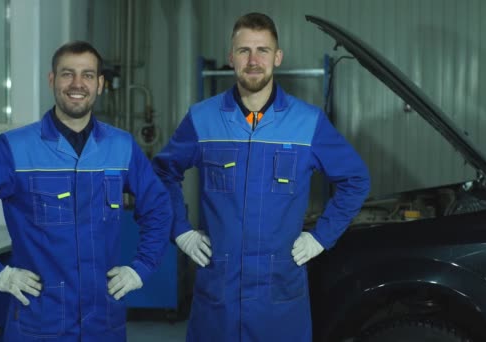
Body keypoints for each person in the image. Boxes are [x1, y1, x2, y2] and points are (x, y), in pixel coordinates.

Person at [153, 13, 370, 341]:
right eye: (244, 51)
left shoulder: (307, 122)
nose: (253, 60)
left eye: (263, 50)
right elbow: (161, 173)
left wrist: (321, 237)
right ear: (231, 58)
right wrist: (181, 231)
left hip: (279, 299)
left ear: (277, 57)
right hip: (218, 298)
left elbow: (356, 179)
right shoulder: (202, 119)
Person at [0, 41, 172, 341]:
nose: (77, 84)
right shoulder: (16, 148)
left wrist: (142, 267)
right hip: (39, 321)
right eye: (67, 74)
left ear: (100, 84)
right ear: (52, 80)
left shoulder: (122, 146)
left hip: (103, 321)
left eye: (88, 75)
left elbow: (158, 206)